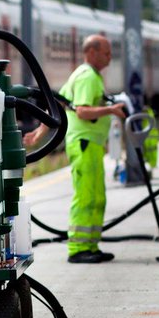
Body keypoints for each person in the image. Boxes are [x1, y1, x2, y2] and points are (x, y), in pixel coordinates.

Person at [26, 34, 130, 263]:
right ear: (92, 52)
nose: (110, 57)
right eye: (106, 53)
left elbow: (59, 103)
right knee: (86, 197)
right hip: (84, 143)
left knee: (96, 197)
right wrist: (111, 110)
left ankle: (90, 246)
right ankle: (78, 249)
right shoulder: (88, 77)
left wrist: (40, 131)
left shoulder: (83, 74)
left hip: (90, 144)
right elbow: (82, 111)